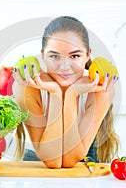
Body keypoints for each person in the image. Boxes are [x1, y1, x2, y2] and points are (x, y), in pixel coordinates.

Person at [12, 16, 119, 168]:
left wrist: (71, 94)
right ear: (42, 55)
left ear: (88, 55)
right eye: (54, 56)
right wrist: (56, 94)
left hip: (85, 162)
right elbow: (52, 161)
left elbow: (69, 161)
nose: (64, 66)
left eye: (74, 56)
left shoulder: (100, 87)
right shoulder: (26, 86)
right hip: (37, 163)